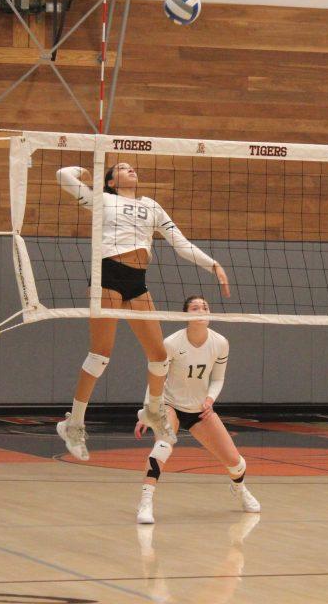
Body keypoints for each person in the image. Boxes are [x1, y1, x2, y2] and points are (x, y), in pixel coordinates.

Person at [55, 163, 230, 460]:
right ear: (111, 179)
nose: (130, 169)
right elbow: (62, 176)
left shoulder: (151, 206)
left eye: (132, 167)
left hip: (137, 281)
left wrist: (212, 264)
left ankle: (152, 411)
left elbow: (182, 245)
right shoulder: (102, 199)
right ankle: (73, 424)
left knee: (159, 356)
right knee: (100, 355)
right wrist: (84, 170)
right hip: (107, 275)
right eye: (122, 168)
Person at [134, 295, 259, 524]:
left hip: (200, 410)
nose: (201, 309)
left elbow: (218, 379)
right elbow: (156, 377)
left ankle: (239, 489)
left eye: (205, 307)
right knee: (163, 445)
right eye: (195, 307)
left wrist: (210, 399)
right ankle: (146, 502)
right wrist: (149, 409)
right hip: (169, 404)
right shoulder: (172, 343)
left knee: (236, 463)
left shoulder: (220, 342)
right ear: (186, 315)